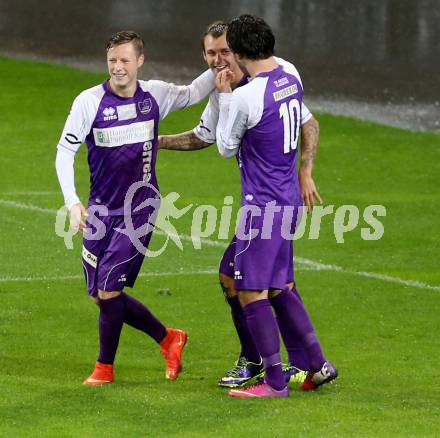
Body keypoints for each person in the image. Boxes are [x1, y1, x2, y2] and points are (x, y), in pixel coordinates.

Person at [159, 21, 321, 388]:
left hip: (266, 203)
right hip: (278, 201)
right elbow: (203, 135)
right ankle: (309, 363)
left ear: (239, 52)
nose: (218, 60)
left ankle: (270, 370)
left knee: (257, 286)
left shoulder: (253, 88)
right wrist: (157, 141)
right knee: (251, 280)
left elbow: (306, 124)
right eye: (210, 54)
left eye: (224, 52)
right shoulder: (276, 78)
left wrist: (306, 169)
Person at [55, 30, 216, 386]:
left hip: (139, 208)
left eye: (125, 60)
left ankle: (104, 369)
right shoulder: (89, 101)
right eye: (112, 60)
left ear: (140, 61)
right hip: (100, 210)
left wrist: (217, 64)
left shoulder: (155, 95)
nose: (118, 67)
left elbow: (191, 94)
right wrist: (72, 202)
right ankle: (168, 338)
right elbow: (65, 151)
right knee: (99, 295)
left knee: (110, 288)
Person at [215, 14, 337, 398]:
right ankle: (317, 364)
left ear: (237, 52)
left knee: (251, 292)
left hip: (261, 206)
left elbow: (224, 147)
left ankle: (273, 382)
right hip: (287, 200)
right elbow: (306, 121)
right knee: (282, 286)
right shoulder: (290, 74)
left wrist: (224, 96)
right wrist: (306, 169)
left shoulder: (247, 96)